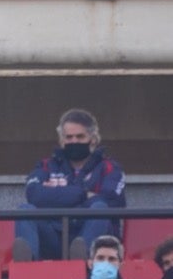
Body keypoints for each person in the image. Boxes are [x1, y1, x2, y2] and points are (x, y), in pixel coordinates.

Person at [12, 109, 125, 263]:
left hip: (93, 238)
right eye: (69, 137)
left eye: (80, 136)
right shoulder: (46, 165)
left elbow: (113, 201)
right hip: (53, 234)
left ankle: (83, 258)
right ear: (61, 140)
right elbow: (34, 195)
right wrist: (84, 195)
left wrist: (57, 196)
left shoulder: (109, 167)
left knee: (100, 207)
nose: (74, 142)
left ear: (92, 138)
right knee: (25, 210)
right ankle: (26, 266)